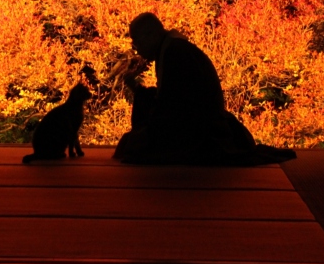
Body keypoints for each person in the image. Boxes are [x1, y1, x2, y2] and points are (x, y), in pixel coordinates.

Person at [113, 12, 296, 166]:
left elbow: (173, 108)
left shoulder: (175, 53)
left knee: (134, 146)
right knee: (133, 144)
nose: (137, 50)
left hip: (201, 130)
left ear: (150, 35)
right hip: (197, 123)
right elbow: (172, 101)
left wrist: (142, 98)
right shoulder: (171, 49)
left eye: (136, 42)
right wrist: (137, 88)